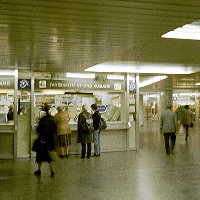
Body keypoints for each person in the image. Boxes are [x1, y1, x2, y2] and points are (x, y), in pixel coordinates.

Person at [34, 103, 57, 177]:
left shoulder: (42, 120)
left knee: (40, 155)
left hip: (42, 139)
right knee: (49, 156)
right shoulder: (52, 119)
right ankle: (52, 170)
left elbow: (38, 129)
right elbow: (55, 129)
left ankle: (39, 169)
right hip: (50, 140)